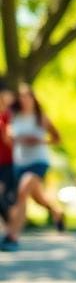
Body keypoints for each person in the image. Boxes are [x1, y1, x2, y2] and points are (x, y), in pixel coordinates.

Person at [1, 84, 66, 251]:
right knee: (38, 198)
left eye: (27, 96)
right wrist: (14, 139)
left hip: (38, 161)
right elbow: (7, 137)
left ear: (33, 99)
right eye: (21, 97)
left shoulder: (40, 117)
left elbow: (57, 138)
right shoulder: (14, 116)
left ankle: (12, 237)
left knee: (22, 192)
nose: (24, 100)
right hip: (20, 163)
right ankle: (57, 212)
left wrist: (40, 141)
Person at [0, 79, 15, 228]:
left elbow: (10, 139)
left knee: (3, 195)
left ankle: (12, 228)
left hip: (10, 162)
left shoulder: (11, 115)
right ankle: (11, 228)